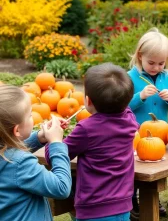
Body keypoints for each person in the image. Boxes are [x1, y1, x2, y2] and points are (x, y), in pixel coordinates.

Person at [46, 63, 139, 221]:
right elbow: (125, 108)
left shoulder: (86, 129)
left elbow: (57, 155)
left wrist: (53, 138)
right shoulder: (129, 119)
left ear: (88, 101)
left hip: (95, 208)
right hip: (123, 206)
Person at [128, 28, 168, 219]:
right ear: (140, 56)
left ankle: (154, 199)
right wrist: (140, 96)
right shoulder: (130, 77)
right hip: (135, 132)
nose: (156, 67)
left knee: (157, 170)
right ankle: (133, 201)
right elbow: (123, 105)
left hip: (161, 133)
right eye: (151, 63)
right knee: (135, 172)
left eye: (161, 63)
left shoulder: (167, 77)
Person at [0, 85, 71, 221]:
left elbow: (10, 151)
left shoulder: (7, 155)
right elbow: (61, 188)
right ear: (17, 131)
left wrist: (39, 137)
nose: (32, 117)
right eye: (30, 115)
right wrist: (56, 143)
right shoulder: (21, 164)